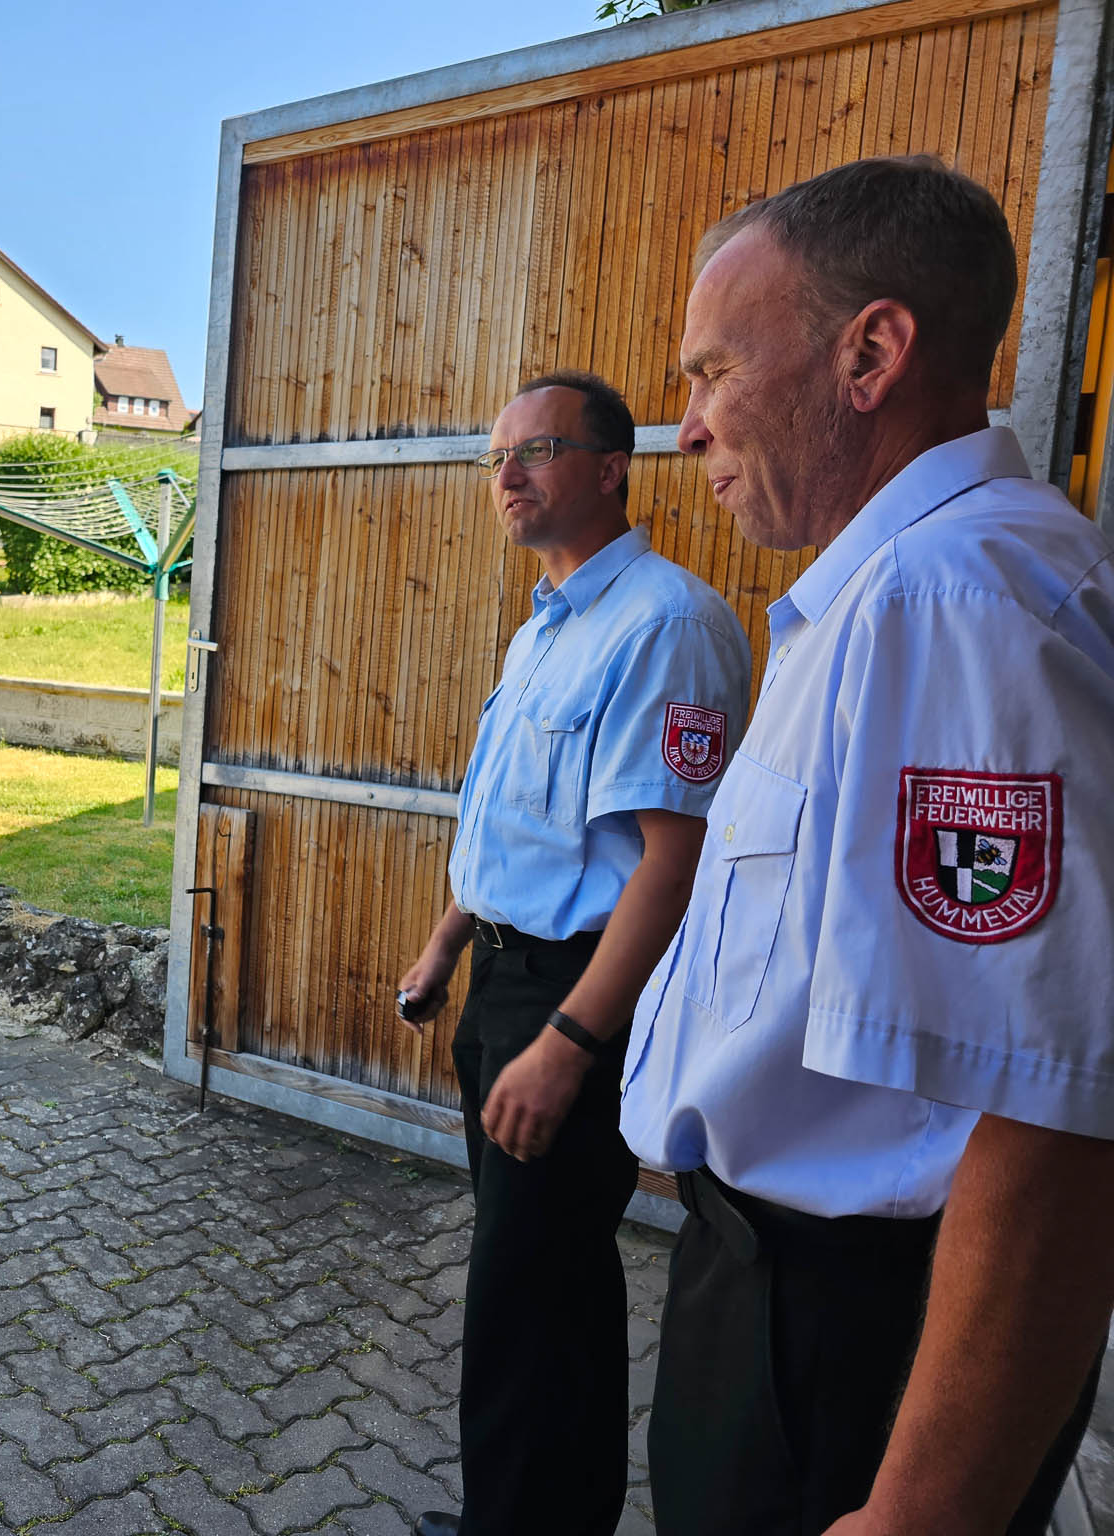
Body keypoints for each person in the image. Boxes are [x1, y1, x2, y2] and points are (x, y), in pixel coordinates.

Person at [622, 155, 1114, 1536]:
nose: (687, 429)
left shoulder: (952, 602)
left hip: (848, 1351)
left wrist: (920, 1513)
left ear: (870, 355)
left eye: (714, 372)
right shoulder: (893, 597)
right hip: (796, 1308)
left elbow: (1050, 1112)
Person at [397, 373, 751, 1536]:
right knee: (537, 1286)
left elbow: (670, 864)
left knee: (524, 1292)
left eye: (536, 450)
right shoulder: (544, 627)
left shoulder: (665, 625)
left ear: (609, 468)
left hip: (573, 999)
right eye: (496, 455)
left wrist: (565, 1041)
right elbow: (519, 824)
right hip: (503, 983)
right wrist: (445, 945)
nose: (505, 475)